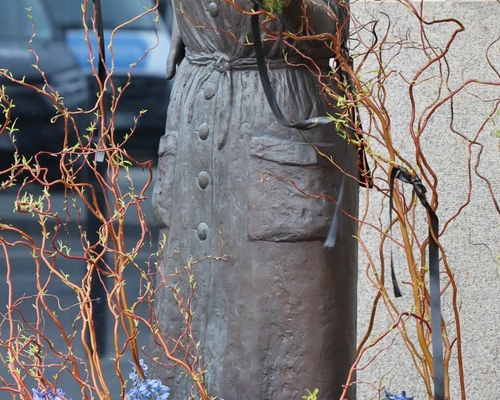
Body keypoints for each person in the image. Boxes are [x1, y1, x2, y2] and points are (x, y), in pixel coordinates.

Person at [152, 1, 358, 398]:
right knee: (187, 336)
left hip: (279, 109)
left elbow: (331, 22)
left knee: (282, 334)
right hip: (196, 107)